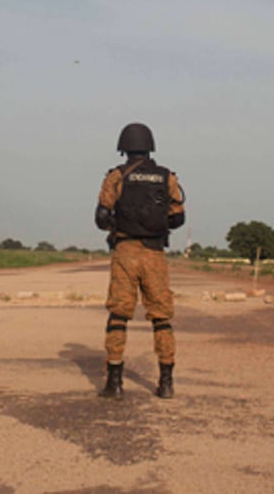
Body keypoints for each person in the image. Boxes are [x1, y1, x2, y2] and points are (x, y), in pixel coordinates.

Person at [94, 122, 185, 400]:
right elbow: (178, 218)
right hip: (155, 254)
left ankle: (115, 382)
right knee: (161, 317)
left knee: (119, 314)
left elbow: (100, 218)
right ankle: (166, 382)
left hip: (125, 252)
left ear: (123, 147)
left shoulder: (116, 177)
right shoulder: (167, 176)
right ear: (150, 146)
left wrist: (118, 222)